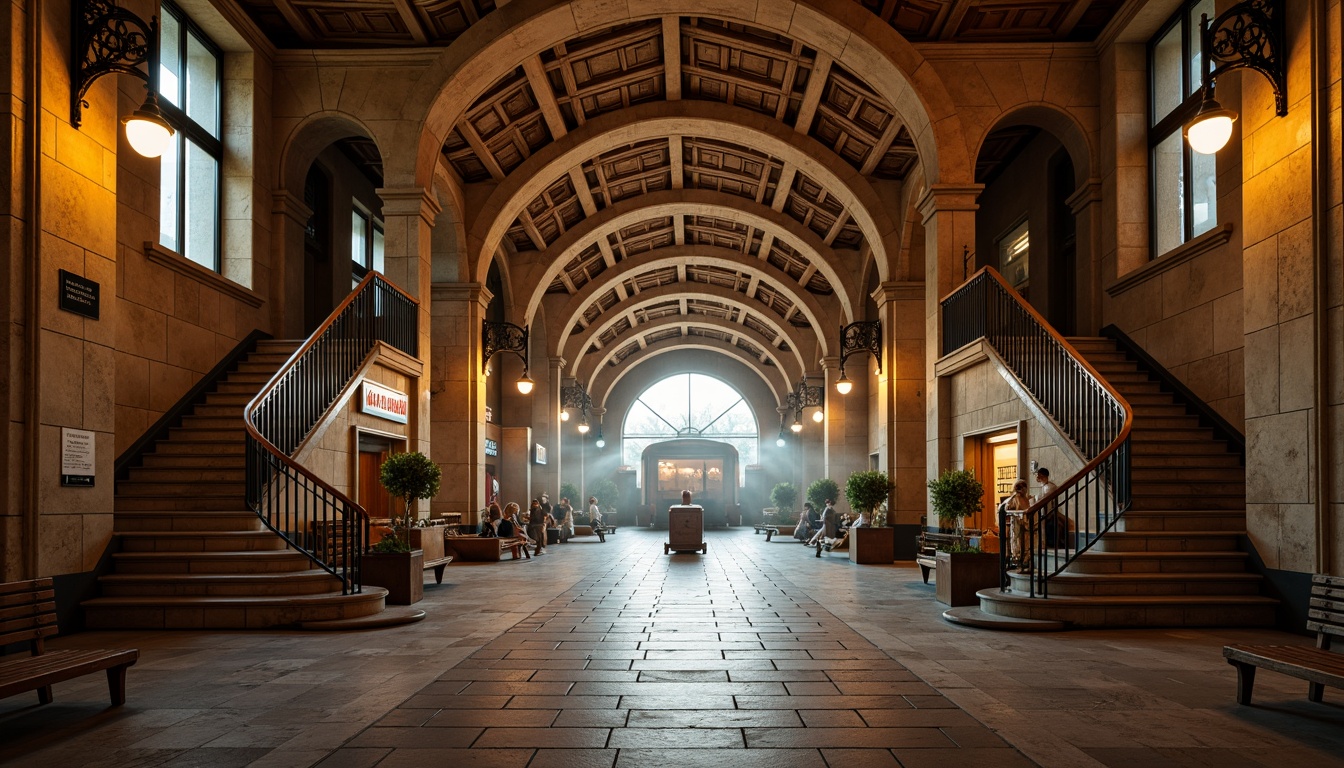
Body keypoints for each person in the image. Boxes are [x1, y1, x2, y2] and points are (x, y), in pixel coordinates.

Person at [1000, 479, 1033, 571]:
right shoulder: (1014, 498)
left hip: (1026, 524)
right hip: (1017, 525)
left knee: (1026, 543)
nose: (1023, 489)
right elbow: (1006, 508)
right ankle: (1018, 561)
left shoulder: (1026, 498)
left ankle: (1025, 561)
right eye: (1021, 487)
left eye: (1024, 487)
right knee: (1017, 544)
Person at [1034, 467, 1065, 548]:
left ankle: (1043, 544)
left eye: (1039, 475)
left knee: (1043, 527)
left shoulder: (1050, 486)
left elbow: (1044, 498)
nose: (1037, 478)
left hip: (1048, 511)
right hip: (1042, 510)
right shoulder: (1043, 486)